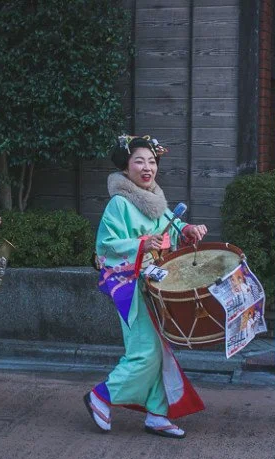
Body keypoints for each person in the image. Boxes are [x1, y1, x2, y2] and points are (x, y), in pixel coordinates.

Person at [84, 135, 208, 439]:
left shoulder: (155, 199)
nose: (147, 166)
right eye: (139, 160)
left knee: (158, 350)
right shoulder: (119, 204)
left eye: (152, 161)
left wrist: (188, 230)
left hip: (154, 286)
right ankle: (102, 395)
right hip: (131, 287)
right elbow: (105, 247)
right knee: (144, 351)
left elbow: (172, 229)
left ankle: (157, 412)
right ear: (126, 168)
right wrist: (142, 245)